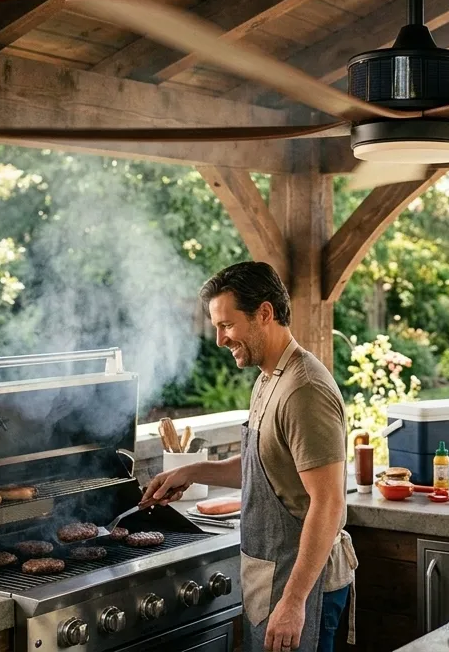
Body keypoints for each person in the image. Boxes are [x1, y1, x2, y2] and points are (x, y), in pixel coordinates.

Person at [142, 262, 355, 652]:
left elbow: (329, 503)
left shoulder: (304, 390)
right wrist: (193, 469)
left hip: (306, 590)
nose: (220, 339)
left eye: (227, 325)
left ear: (264, 313)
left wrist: (293, 603)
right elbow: (266, 465)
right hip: (273, 578)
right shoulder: (268, 377)